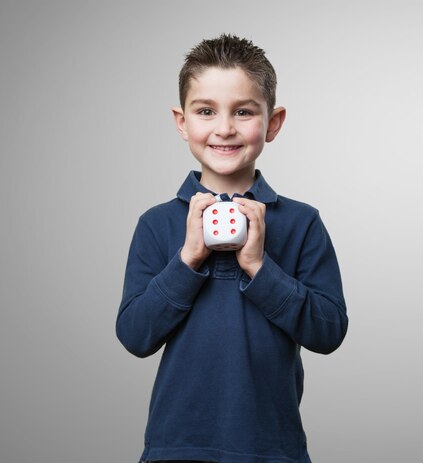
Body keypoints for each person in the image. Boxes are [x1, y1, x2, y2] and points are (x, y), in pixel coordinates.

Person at [116, 34, 348, 463]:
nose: (224, 128)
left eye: (243, 112)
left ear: (273, 122)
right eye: (206, 111)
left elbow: (329, 331)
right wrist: (187, 260)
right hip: (177, 446)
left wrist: (260, 267)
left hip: (271, 448)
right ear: (182, 121)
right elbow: (134, 335)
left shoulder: (301, 222)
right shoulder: (157, 224)